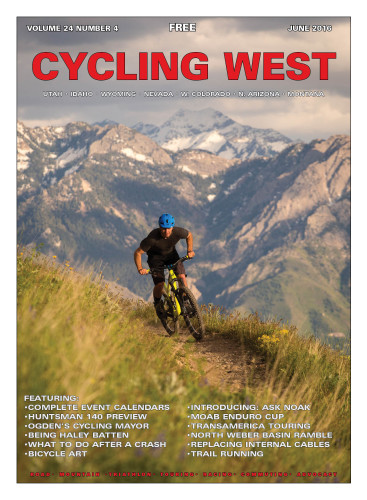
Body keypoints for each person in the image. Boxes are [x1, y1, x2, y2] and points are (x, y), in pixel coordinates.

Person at [134, 213, 195, 313]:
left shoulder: (178, 231)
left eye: (169, 228)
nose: (166, 231)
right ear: (159, 227)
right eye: (163, 229)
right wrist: (140, 268)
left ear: (172, 227)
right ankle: (158, 304)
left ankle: (185, 302)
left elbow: (189, 235)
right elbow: (138, 252)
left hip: (172, 256)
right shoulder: (152, 238)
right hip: (155, 259)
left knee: (182, 277)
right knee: (160, 284)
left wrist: (190, 250)